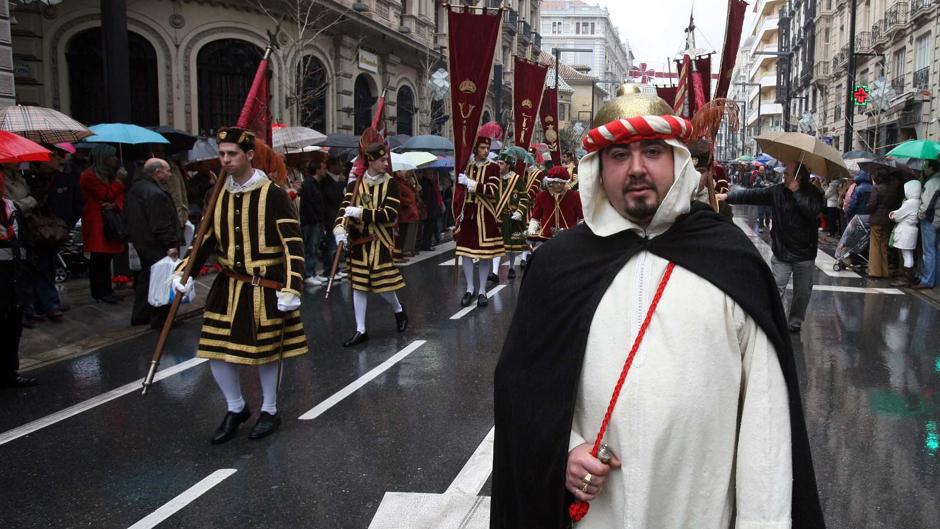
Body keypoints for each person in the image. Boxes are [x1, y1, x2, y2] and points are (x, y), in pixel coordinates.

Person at [492, 90, 824, 529]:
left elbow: (765, 417)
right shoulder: (558, 266)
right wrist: (566, 449)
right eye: (619, 155)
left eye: (652, 151)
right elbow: (524, 390)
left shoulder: (731, 259)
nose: (636, 168)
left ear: (678, 161)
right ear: (597, 169)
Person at [172, 127, 307, 443]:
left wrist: (292, 286)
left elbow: (293, 244)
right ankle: (236, 407)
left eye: (232, 154)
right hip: (228, 284)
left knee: (266, 353)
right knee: (215, 350)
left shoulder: (273, 194)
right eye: (222, 154)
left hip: (265, 285)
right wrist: (185, 271)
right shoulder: (217, 192)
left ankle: (270, 410)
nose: (225, 160)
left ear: (249, 155)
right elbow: (205, 238)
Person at [720, 161, 824, 332]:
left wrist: (797, 193)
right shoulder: (778, 191)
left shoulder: (813, 193)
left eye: (788, 174)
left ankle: (795, 323)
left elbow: (813, 211)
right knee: (776, 288)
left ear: (799, 177)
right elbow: (754, 195)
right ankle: (773, 321)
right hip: (782, 251)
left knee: (802, 293)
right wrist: (729, 197)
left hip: (804, 253)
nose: (784, 176)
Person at [332, 141, 408, 347]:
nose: (386, 163)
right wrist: (339, 230)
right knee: (359, 286)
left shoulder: (391, 183)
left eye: (387, 160)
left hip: (379, 241)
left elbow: (390, 214)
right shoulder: (354, 184)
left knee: (384, 286)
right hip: (359, 243)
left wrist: (362, 212)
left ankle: (399, 310)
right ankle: (361, 329)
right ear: (371, 161)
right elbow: (344, 209)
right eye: (382, 160)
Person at [125, 158, 182, 328]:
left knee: (146, 279)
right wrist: (171, 245)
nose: (170, 174)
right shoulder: (155, 193)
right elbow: (160, 224)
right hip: (155, 244)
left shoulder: (137, 188)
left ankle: (141, 315)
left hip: (143, 241)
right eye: (167, 170)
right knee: (162, 280)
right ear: (157, 172)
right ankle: (160, 319)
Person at [453, 127, 503, 308]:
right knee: (466, 252)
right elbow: (459, 194)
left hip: (485, 214)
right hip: (469, 214)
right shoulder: (467, 166)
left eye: (487, 148)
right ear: (476, 149)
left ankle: (482, 290)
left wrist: (472, 184)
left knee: (485, 254)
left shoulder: (493, 167)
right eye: (482, 148)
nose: (485, 151)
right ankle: (470, 288)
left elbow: (493, 190)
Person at [0, 183, 38, 388]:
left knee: (12, 330)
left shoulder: (11, 207)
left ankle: (9, 372)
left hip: (15, 280)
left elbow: (25, 242)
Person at [80, 144, 126, 304]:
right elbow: (106, 194)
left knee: (107, 257)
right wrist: (119, 181)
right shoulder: (89, 176)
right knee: (99, 257)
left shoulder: (109, 174)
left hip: (109, 219)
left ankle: (107, 289)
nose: (115, 159)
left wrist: (115, 204)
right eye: (112, 156)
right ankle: (99, 291)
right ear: (103, 158)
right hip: (97, 221)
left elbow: (117, 196)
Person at [495, 150, 529, 280]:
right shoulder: (495, 178)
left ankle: (511, 268)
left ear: (508, 165)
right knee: (497, 245)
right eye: (498, 163)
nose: (499, 165)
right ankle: (494, 272)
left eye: (501, 163)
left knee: (511, 246)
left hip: (512, 216)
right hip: (498, 216)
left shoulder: (516, 179)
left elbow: (524, 197)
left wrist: (520, 212)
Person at [527, 165, 583, 242]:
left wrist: (578, 233)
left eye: (562, 182)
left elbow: (581, 218)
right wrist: (531, 230)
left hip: (569, 238)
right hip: (546, 238)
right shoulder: (542, 196)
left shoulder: (575, 196)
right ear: (551, 181)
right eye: (556, 182)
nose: (559, 185)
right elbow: (535, 218)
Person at [866, 169, 902, 279]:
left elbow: (872, 205)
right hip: (887, 220)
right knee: (883, 246)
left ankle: (875, 271)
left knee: (875, 245)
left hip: (876, 219)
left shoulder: (876, 188)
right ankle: (884, 271)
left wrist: (867, 207)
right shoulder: (892, 189)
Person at [299, 158, 328, 286]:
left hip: (317, 221)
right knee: (310, 248)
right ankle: (308, 273)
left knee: (315, 247)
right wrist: (315, 218)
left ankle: (313, 272)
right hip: (310, 222)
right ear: (317, 170)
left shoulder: (317, 184)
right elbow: (307, 205)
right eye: (323, 168)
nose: (325, 171)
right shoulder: (308, 184)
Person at [888, 179, 922, 287]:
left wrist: (892, 214)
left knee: (906, 255)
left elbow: (898, 216)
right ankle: (907, 277)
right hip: (911, 229)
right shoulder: (918, 201)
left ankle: (906, 279)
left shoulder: (909, 203)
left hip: (905, 230)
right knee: (908, 254)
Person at [914, 160, 940, 289]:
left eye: (926, 167)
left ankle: (928, 280)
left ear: (931, 168)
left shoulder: (932, 182)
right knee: (936, 250)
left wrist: (920, 215)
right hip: (938, 219)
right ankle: (936, 279)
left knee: (928, 251)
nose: (925, 169)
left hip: (930, 220)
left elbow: (927, 203)